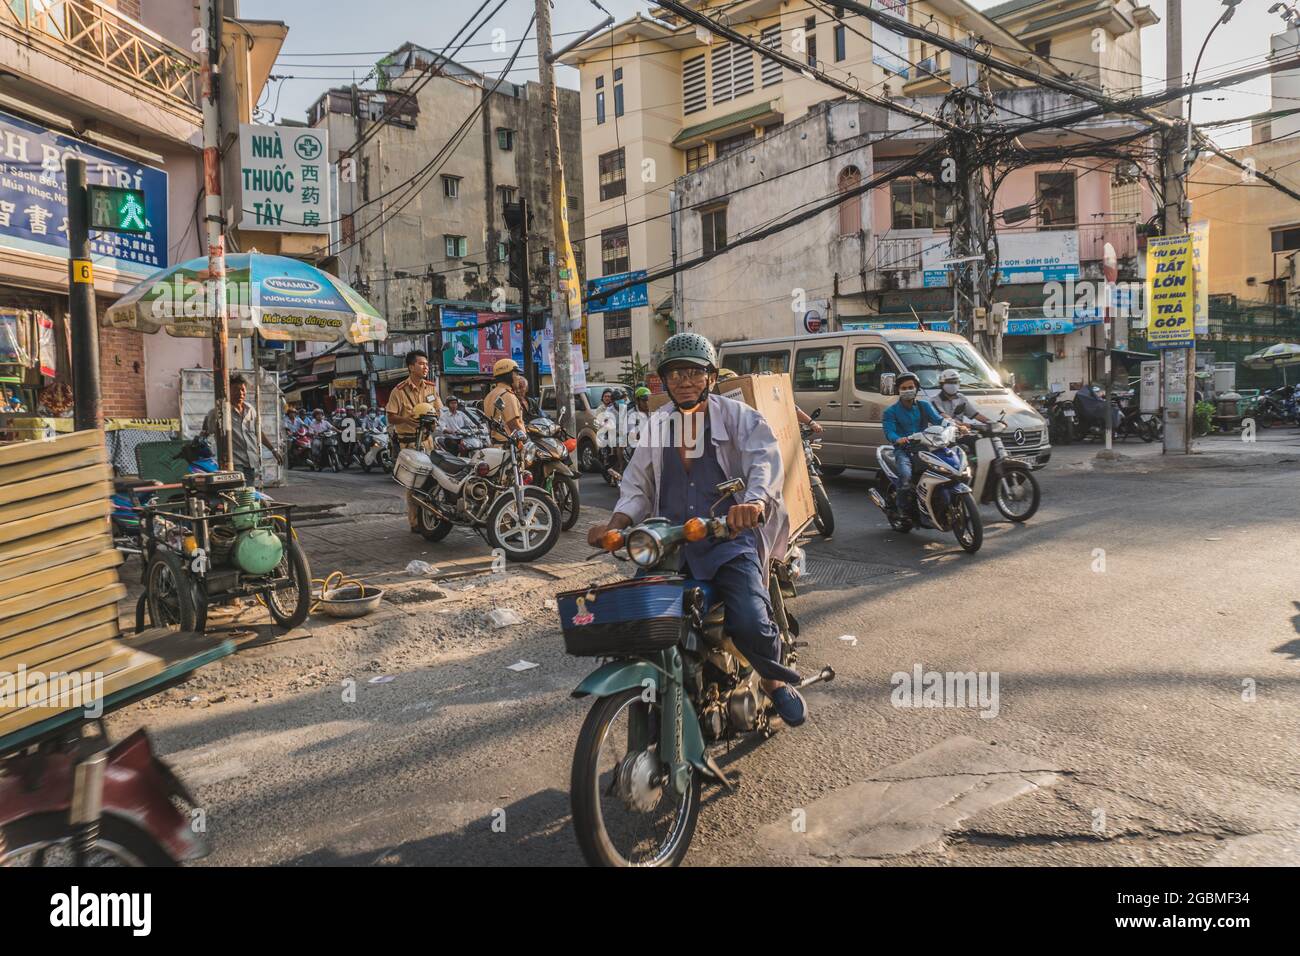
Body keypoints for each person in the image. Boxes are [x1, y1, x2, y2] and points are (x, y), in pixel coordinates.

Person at [585, 332, 808, 728]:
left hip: (727, 542)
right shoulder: (658, 426)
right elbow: (636, 486)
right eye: (675, 375)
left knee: (750, 621)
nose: (684, 381)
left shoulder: (739, 417)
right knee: (638, 622)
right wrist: (615, 524)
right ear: (665, 382)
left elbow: (764, 463)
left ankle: (773, 681)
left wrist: (754, 503)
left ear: (708, 376)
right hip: (669, 547)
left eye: (692, 372)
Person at [882, 372, 951, 507]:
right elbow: (889, 432)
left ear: (916, 388)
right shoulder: (890, 411)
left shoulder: (924, 406)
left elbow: (939, 420)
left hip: (926, 447)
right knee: (906, 476)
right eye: (904, 388)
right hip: (904, 450)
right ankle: (902, 508)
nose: (908, 390)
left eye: (911, 387)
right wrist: (898, 439)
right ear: (898, 390)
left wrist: (954, 426)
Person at [202, 373, 282, 483]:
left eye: (243, 389)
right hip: (233, 464)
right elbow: (205, 433)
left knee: (248, 495)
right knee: (237, 494)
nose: (240, 393)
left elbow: (258, 432)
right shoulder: (219, 412)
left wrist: (273, 450)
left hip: (250, 462)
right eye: (235, 389)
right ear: (228, 391)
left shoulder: (250, 410)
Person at [482, 358, 525, 445]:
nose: (519, 377)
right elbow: (513, 425)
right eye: (516, 373)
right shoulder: (508, 395)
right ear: (508, 376)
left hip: (496, 445)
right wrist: (524, 443)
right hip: (510, 446)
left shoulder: (490, 395)